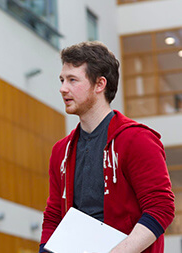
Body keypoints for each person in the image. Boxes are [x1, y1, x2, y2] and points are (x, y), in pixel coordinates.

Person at [40, 41, 175, 253]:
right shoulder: (60, 151)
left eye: (72, 80)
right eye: (62, 80)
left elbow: (161, 208)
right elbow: (53, 216)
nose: (62, 88)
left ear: (100, 84)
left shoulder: (137, 139)